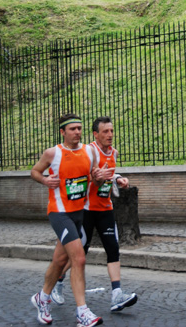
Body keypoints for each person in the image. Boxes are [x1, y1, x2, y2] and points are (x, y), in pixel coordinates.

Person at [51, 116, 138, 312]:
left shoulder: (113, 153)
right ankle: (57, 283)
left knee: (113, 248)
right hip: (87, 210)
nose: (110, 135)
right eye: (105, 132)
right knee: (79, 254)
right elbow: (84, 175)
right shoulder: (89, 151)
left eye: (112, 131)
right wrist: (95, 177)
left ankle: (117, 295)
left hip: (105, 209)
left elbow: (109, 174)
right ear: (95, 134)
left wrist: (119, 179)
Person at [30, 114, 103, 327]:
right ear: (63, 132)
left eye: (79, 128)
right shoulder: (53, 153)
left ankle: (42, 298)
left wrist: (97, 178)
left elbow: (94, 182)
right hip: (59, 213)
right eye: (72, 129)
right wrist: (45, 179)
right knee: (79, 259)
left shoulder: (90, 151)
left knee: (60, 261)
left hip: (78, 213)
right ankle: (82, 312)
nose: (77, 132)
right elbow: (34, 171)